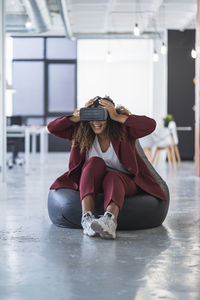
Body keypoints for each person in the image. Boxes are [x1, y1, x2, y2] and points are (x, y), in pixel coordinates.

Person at [47, 96, 168, 239]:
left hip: (123, 182)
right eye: (92, 116)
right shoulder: (81, 131)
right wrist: (78, 117)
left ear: (109, 117)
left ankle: (110, 221)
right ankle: (87, 219)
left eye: (101, 116)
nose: (96, 122)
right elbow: (52, 128)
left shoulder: (123, 130)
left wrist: (117, 116)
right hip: (91, 182)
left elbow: (150, 125)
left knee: (113, 176)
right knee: (94, 162)